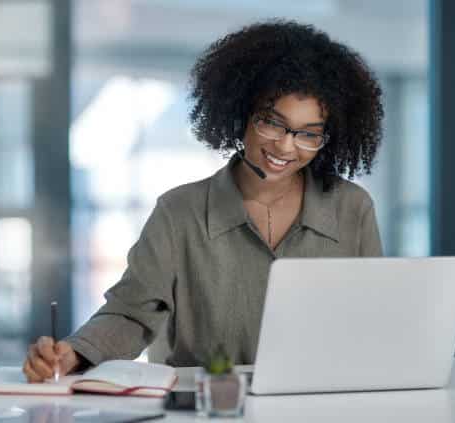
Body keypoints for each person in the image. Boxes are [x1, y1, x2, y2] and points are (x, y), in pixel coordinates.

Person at [23, 19, 384, 382]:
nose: (286, 146)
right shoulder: (179, 213)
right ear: (242, 112)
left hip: (317, 405)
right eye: (271, 123)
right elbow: (131, 313)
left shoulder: (352, 209)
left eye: (308, 134)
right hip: (202, 409)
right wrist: (74, 352)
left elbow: (371, 319)